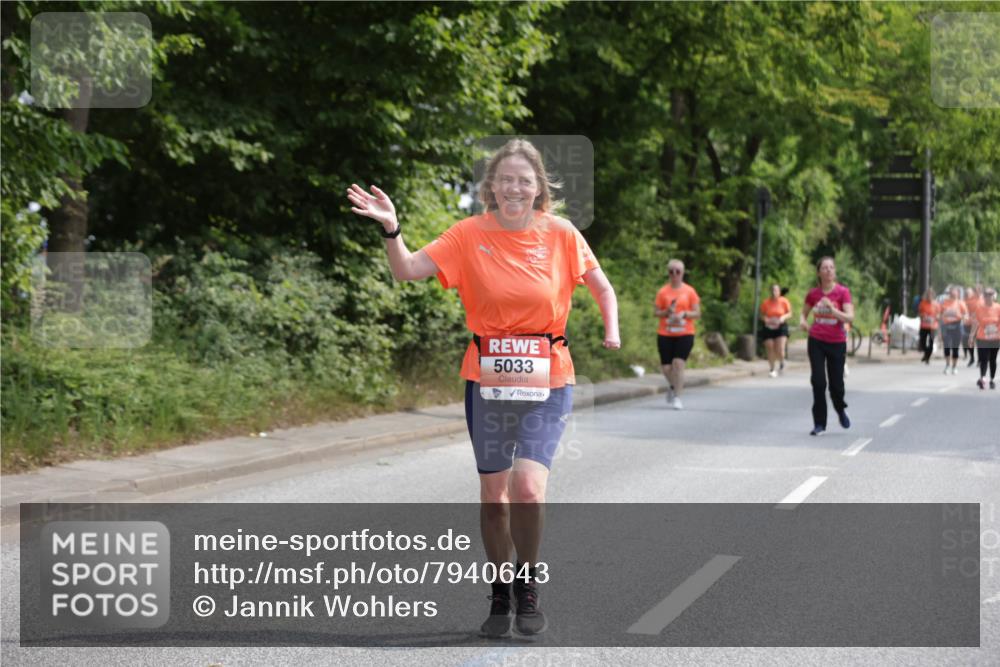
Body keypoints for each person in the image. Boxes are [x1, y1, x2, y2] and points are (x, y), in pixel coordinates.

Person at [346, 138, 620, 638]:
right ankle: (499, 590)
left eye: (524, 179)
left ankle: (529, 582)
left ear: (539, 187)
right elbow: (407, 270)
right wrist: (392, 228)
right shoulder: (469, 233)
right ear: (490, 186)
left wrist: (612, 326)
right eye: (505, 179)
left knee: (528, 488)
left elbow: (601, 285)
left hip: (549, 374)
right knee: (494, 497)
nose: (514, 187)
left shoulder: (560, 234)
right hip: (487, 378)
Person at [800, 257, 854, 436]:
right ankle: (819, 424)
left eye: (831, 267)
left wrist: (832, 309)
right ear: (819, 273)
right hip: (816, 340)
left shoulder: (842, 292)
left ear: (835, 272)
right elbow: (804, 313)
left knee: (836, 385)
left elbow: (849, 317)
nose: (829, 270)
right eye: (825, 268)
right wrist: (803, 322)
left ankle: (840, 409)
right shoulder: (813, 294)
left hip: (837, 342)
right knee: (818, 381)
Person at [654, 259, 701, 409]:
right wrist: (667, 312)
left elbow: (697, 313)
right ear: (668, 273)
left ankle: (677, 398)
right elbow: (655, 312)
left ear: (682, 273)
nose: (674, 274)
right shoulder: (663, 292)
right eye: (671, 271)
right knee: (667, 368)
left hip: (685, 333)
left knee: (678, 364)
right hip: (665, 332)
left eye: (678, 271)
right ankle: (674, 387)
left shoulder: (689, 291)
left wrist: (684, 314)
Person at [968, 287, 1000, 390]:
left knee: (993, 359)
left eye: (990, 295)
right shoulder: (979, 308)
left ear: (994, 296)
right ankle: (982, 378)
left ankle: (992, 379)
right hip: (982, 338)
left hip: (995, 338)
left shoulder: (998, 308)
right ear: (984, 296)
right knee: (983, 359)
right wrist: (971, 336)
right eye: (986, 295)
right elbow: (975, 323)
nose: (988, 297)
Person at [760, 283, 792, 377]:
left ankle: (782, 362)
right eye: (773, 290)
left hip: (781, 326)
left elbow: (789, 313)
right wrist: (765, 319)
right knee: (770, 346)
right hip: (769, 326)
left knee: (780, 349)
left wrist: (783, 317)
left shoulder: (784, 301)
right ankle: (772, 369)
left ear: (779, 292)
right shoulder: (766, 302)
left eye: (776, 290)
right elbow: (761, 315)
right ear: (770, 291)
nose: (774, 292)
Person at [939, 285, 967, 375]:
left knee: (955, 347)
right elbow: (940, 314)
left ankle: (954, 367)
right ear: (949, 293)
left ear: (958, 294)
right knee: (946, 346)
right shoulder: (944, 302)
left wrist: (962, 316)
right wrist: (941, 317)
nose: (953, 294)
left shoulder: (960, 303)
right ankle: (947, 365)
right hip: (947, 326)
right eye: (951, 293)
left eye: (955, 292)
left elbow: (966, 315)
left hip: (957, 325)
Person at [917, 287, 940, 365]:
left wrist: (936, 317)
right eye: (928, 295)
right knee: (922, 343)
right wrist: (923, 316)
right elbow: (919, 313)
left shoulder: (936, 304)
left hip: (933, 326)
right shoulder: (922, 303)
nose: (929, 297)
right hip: (924, 326)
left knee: (931, 343)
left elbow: (939, 314)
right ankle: (926, 354)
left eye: (931, 295)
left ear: (933, 296)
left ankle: (927, 358)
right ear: (926, 295)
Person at [964, 286, 980, 367]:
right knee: (969, 341)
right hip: (969, 323)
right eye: (976, 290)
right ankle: (972, 358)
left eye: (979, 290)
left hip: (980, 324)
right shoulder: (969, 300)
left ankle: (980, 360)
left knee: (980, 342)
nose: (978, 292)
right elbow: (965, 311)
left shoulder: (983, 300)